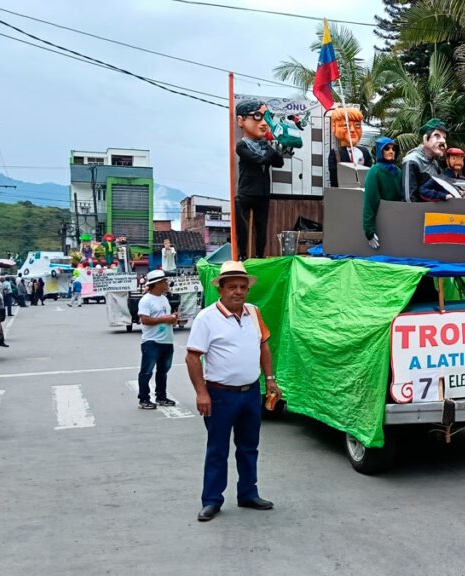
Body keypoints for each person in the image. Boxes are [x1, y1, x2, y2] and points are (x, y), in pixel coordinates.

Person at [186, 261, 281, 522]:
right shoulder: (206, 318)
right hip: (220, 395)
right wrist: (201, 393)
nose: (238, 292)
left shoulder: (253, 312)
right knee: (217, 449)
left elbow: (264, 347)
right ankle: (212, 500)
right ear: (221, 290)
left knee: (249, 447)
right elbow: (193, 358)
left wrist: (270, 380)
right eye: (232, 287)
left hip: (251, 392)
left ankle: (248, 494)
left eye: (242, 287)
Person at [235, 99, 286, 260]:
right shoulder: (242, 145)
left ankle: (259, 255)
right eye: (257, 116)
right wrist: (270, 153)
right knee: (242, 226)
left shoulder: (266, 146)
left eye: (267, 117)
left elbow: (279, 162)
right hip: (246, 192)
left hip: (263, 193)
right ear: (241, 120)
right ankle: (242, 254)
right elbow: (258, 159)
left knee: (262, 227)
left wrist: (275, 149)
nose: (264, 123)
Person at [136, 270, 178, 410]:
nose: (167, 283)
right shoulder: (146, 300)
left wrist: (173, 319)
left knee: (163, 371)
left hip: (167, 340)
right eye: (164, 281)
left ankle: (161, 396)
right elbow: (145, 320)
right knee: (146, 371)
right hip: (152, 341)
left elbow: (166, 318)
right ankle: (144, 398)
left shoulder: (164, 299)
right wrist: (165, 319)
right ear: (157, 283)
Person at [362, 137, 403, 249]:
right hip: (382, 221)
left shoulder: (398, 172)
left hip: (398, 220)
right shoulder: (374, 172)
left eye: (393, 149)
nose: (391, 151)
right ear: (380, 151)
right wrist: (369, 230)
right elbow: (370, 202)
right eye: (387, 149)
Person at [402, 118, 448, 202]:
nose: (443, 141)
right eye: (437, 136)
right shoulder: (412, 160)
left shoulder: (434, 163)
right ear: (426, 138)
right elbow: (409, 198)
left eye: (444, 138)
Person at [327, 105, 372, 186]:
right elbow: (333, 177)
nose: (352, 130)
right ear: (334, 128)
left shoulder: (364, 152)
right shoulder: (336, 153)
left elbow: (368, 174)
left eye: (357, 125)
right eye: (346, 126)